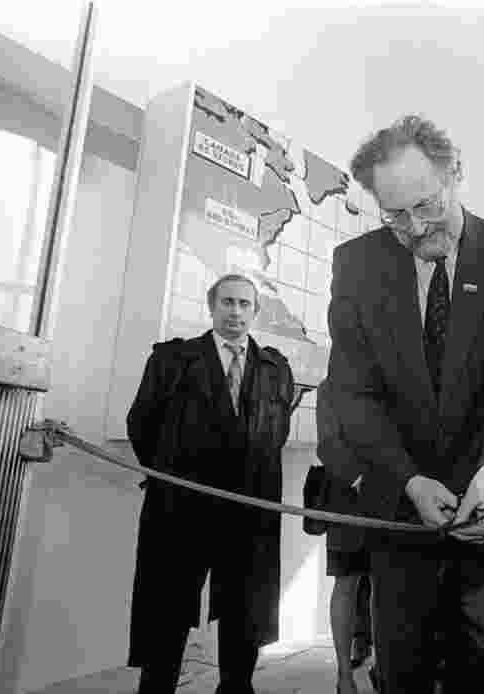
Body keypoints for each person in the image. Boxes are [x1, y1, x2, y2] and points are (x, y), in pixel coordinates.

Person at [326, 115, 484, 694]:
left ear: (456, 174)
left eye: (426, 205)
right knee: (404, 674)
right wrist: (407, 481)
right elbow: (354, 393)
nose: (416, 227)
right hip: (401, 517)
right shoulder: (357, 265)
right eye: (395, 215)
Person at [126, 274, 294, 694]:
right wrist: (174, 477)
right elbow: (141, 425)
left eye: (244, 304)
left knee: (245, 610)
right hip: (180, 510)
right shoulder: (172, 361)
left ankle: (236, 687)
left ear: (255, 312)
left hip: (250, 514)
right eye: (227, 302)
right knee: (166, 606)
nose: (235, 312)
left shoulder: (276, 369)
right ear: (211, 306)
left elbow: (277, 435)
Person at [315, 379, 374, 694]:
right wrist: (361, 478)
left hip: (391, 497)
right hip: (347, 499)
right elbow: (328, 444)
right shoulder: (329, 388)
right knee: (347, 582)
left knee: (388, 584)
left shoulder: (389, 376)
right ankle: (343, 676)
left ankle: (385, 665)